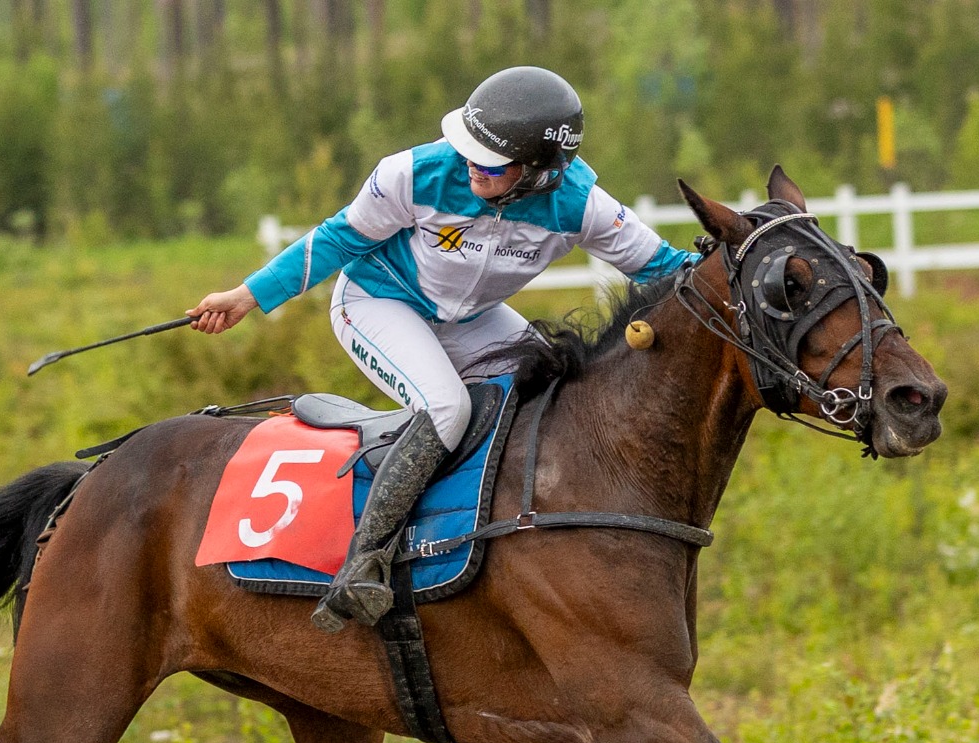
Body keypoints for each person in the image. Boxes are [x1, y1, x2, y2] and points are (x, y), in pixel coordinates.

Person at [188, 66, 698, 633]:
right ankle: (365, 561)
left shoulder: (581, 205)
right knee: (447, 408)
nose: (472, 166)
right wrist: (246, 297)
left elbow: (670, 268)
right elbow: (336, 239)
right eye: (468, 149)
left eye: (491, 163)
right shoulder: (414, 174)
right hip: (377, 302)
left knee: (551, 388)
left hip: (470, 319)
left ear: (538, 172)